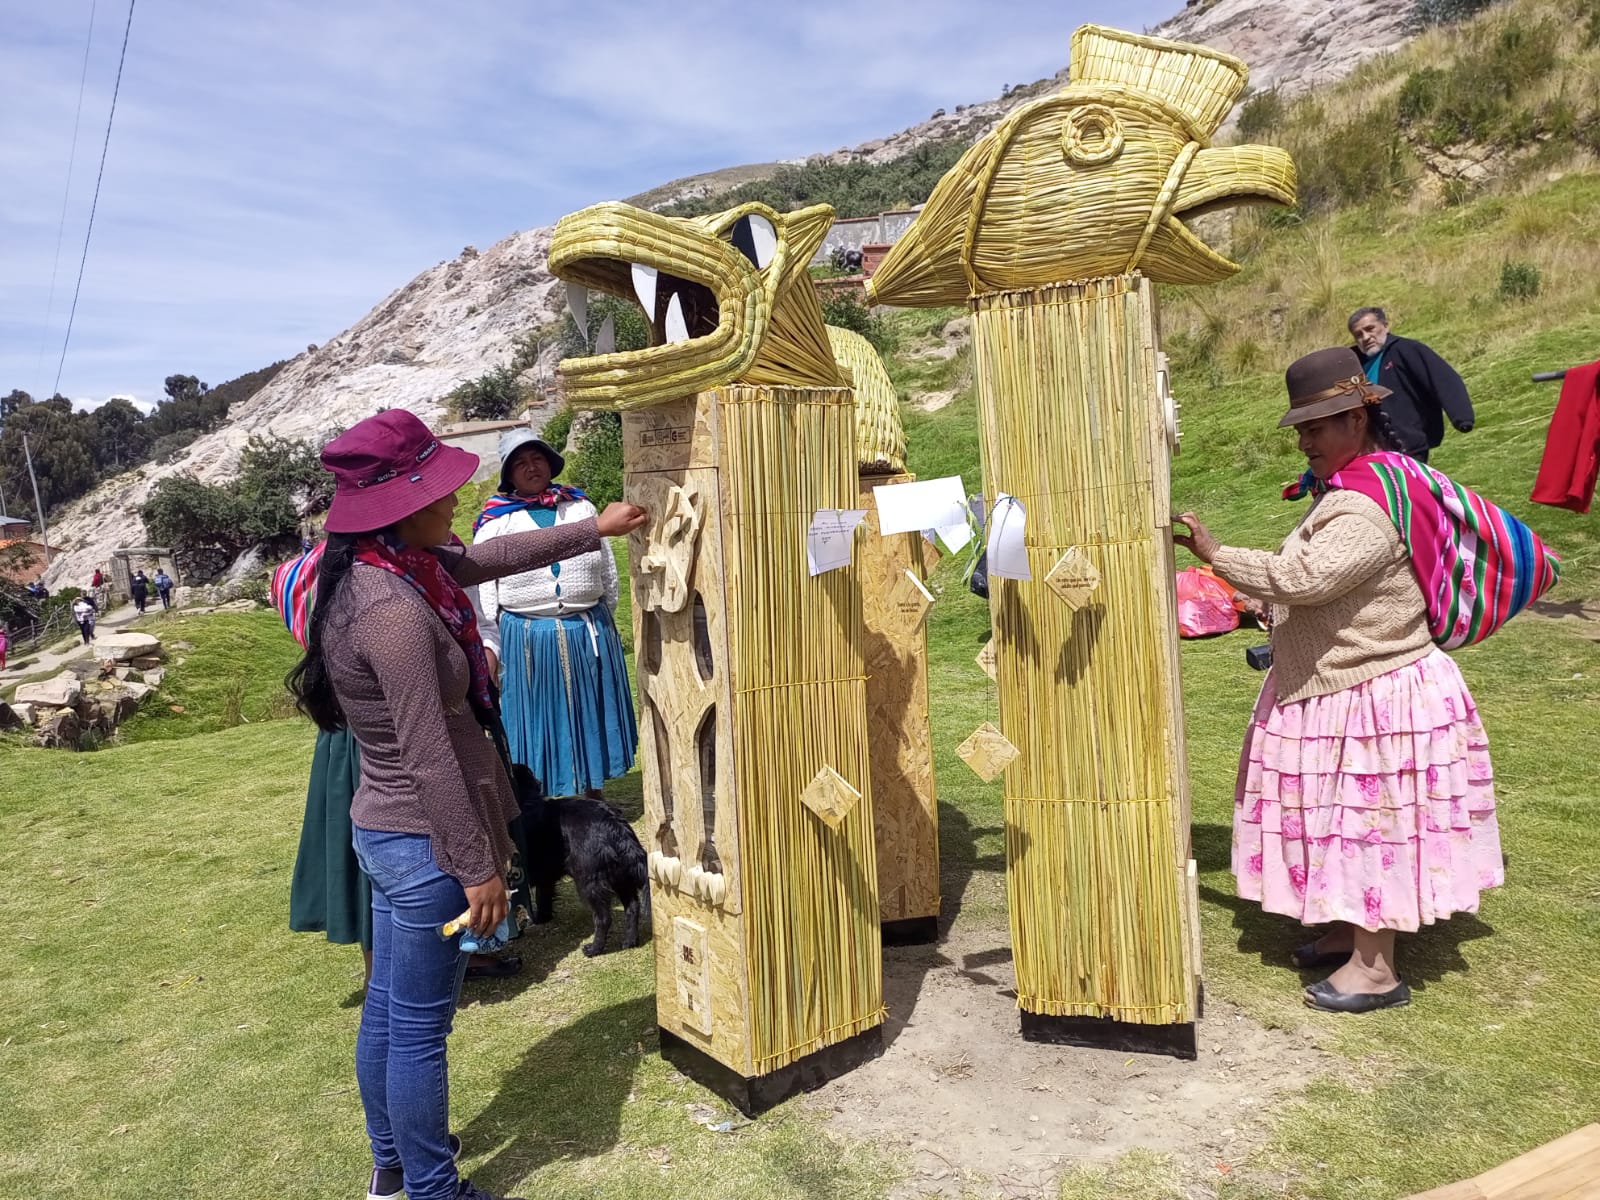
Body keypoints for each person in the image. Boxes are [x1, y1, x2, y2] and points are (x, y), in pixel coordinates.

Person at [286, 409, 646, 1200]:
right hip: (423, 843)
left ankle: (392, 1166)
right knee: (418, 1030)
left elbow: (486, 558)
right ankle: (432, 1188)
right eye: (439, 489)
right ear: (395, 505)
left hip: (387, 833)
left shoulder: (394, 567)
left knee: (387, 1013)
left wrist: (597, 528)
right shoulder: (392, 612)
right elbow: (429, 755)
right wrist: (477, 866)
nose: (457, 498)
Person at [1173, 347, 1505, 1015]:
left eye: (1317, 427)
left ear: (1357, 419)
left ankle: (1376, 969)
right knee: (1338, 822)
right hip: (1346, 688)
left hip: (1371, 693)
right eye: (1301, 429)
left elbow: (1307, 578)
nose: (1306, 441)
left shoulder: (1369, 504)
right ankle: (1351, 929)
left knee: (1368, 828)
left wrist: (1217, 556)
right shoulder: (1366, 486)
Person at [472, 430, 636, 800]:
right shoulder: (496, 523)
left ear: (550, 463)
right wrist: (493, 645)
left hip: (586, 629)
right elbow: (485, 593)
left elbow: (607, 574)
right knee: (539, 720)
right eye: (520, 463)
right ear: (508, 475)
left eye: (537, 458)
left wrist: (597, 620)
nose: (531, 467)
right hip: (527, 638)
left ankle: (595, 799)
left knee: (588, 714)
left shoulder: (581, 509)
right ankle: (545, 800)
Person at [1348, 307, 1474, 464]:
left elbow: (1443, 378)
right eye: (1358, 335)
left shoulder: (1406, 350)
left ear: (1385, 326)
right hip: (1369, 450)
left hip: (1407, 444)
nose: (1365, 337)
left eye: (1370, 329)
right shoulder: (1352, 364)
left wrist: (1462, 418)